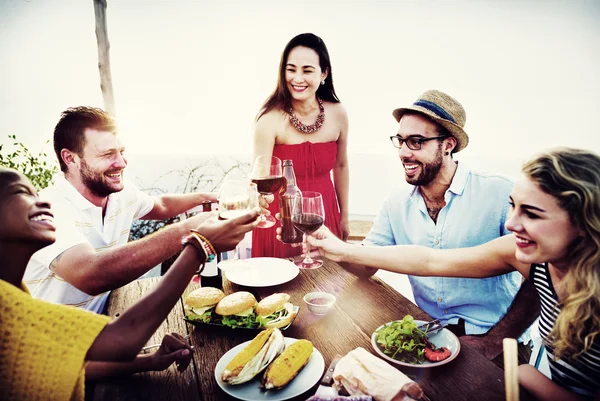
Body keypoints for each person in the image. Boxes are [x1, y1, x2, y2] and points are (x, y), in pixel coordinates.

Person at [307, 148, 600, 401]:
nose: (511, 223)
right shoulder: (531, 258)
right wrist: (341, 250)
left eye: (532, 214)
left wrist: (528, 375)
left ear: (584, 221)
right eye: (513, 206)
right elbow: (431, 260)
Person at [291, 89, 538, 366]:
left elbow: (539, 278)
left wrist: (494, 341)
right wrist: (329, 247)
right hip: (431, 335)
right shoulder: (396, 202)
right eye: (400, 141)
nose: (404, 153)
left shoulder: (500, 193)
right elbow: (365, 266)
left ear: (448, 145)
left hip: (500, 341)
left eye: (416, 142)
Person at [0, 166, 260, 401]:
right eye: (22, 192)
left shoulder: (18, 299)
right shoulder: (6, 308)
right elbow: (125, 336)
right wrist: (199, 245)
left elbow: (64, 364)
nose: (42, 200)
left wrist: (149, 361)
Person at [22, 106, 219, 313]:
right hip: (53, 339)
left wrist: (206, 198)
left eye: (121, 152)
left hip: (106, 324)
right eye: (108, 154)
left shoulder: (119, 194)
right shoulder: (44, 210)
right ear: (70, 158)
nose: (122, 163)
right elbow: (90, 275)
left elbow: (161, 205)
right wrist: (189, 231)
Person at [251, 32, 350, 258]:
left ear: (324, 73)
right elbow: (259, 179)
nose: (297, 78)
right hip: (282, 219)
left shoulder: (338, 113)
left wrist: (344, 216)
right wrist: (259, 201)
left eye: (307, 70)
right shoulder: (269, 119)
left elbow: (342, 166)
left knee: (329, 288)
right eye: (291, 69)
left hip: (324, 213)